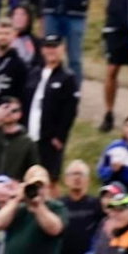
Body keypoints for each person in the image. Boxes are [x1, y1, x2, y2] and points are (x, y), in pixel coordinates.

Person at [0, 165, 67, 254]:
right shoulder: (17, 208)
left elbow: (55, 229)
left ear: (48, 187)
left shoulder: (55, 207)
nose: (38, 190)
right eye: (33, 185)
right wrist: (16, 199)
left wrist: (38, 207)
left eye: (41, 186)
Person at [24, 35, 80, 176]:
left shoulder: (68, 77)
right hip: (28, 134)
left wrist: (60, 136)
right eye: (48, 47)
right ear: (42, 50)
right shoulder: (33, 73)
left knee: (49, 178)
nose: (51, 51)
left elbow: (70, 110)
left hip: (49, 139)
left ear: (62, 49)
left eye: (55, 47)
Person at [0, 96, 39, 182]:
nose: (9, 113)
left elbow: (34, 169)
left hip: (13, 190)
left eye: (14, 111)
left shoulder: (27, 142)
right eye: (5, 109)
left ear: (20, 114)